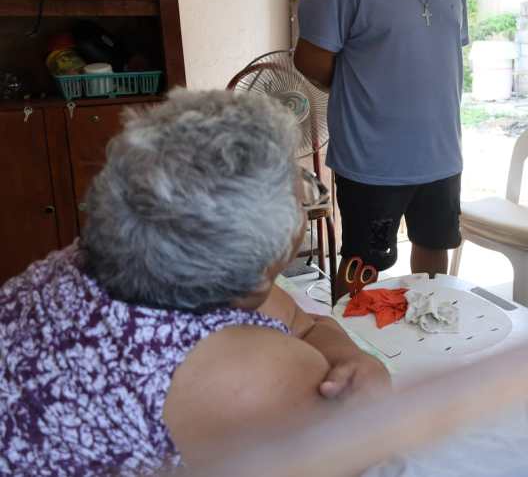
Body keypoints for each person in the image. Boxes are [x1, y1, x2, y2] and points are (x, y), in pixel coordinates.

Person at [0, 90, 390, 474]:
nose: (307, 199)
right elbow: (363, 448)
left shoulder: (123, 256)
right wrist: (369, 378)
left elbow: (306, 323)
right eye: (302, 195)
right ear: (255, 274)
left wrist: (352, 358)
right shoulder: (252, 375)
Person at [294, 0, 468, 279]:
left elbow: (439, 59)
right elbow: (310, 61)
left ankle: (428, 338)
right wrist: (369, 91)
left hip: (440, 155)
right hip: (373, 161)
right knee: (363, 268)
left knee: (433, 253)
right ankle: (352, 341)